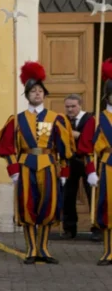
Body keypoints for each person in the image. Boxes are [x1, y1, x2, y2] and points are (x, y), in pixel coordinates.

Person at [0, 61, 75, 264]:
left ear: (44, 95)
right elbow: (6, 147)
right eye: (33, 91)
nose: (37, 94)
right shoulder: (17, 120)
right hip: (26, 166)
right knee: (28, 207)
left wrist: (63, 171)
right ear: (27, 95)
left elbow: (63, 148)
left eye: (40, 91)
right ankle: (31, 249)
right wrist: (13, 169)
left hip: (48, 166)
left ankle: (44, 248)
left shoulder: (56, 119)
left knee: (47, 207)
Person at [81, 61, 112, 264]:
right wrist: (91, 171)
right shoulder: (97, 120)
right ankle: (109, 251)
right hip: (108, 166)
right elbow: (85, 149)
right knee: (109, 210)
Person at [62, 93, 98, 240]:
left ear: (80, 105)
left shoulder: (90, 119)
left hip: (87, 161)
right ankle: (69, 229)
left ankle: (97, 228)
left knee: (93, 195)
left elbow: (94, 138)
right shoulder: (63, 121)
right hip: (70, 162)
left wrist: (78, 135)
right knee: (68, 195)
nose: (70, 110)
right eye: (67, 107)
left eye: (73, 106)